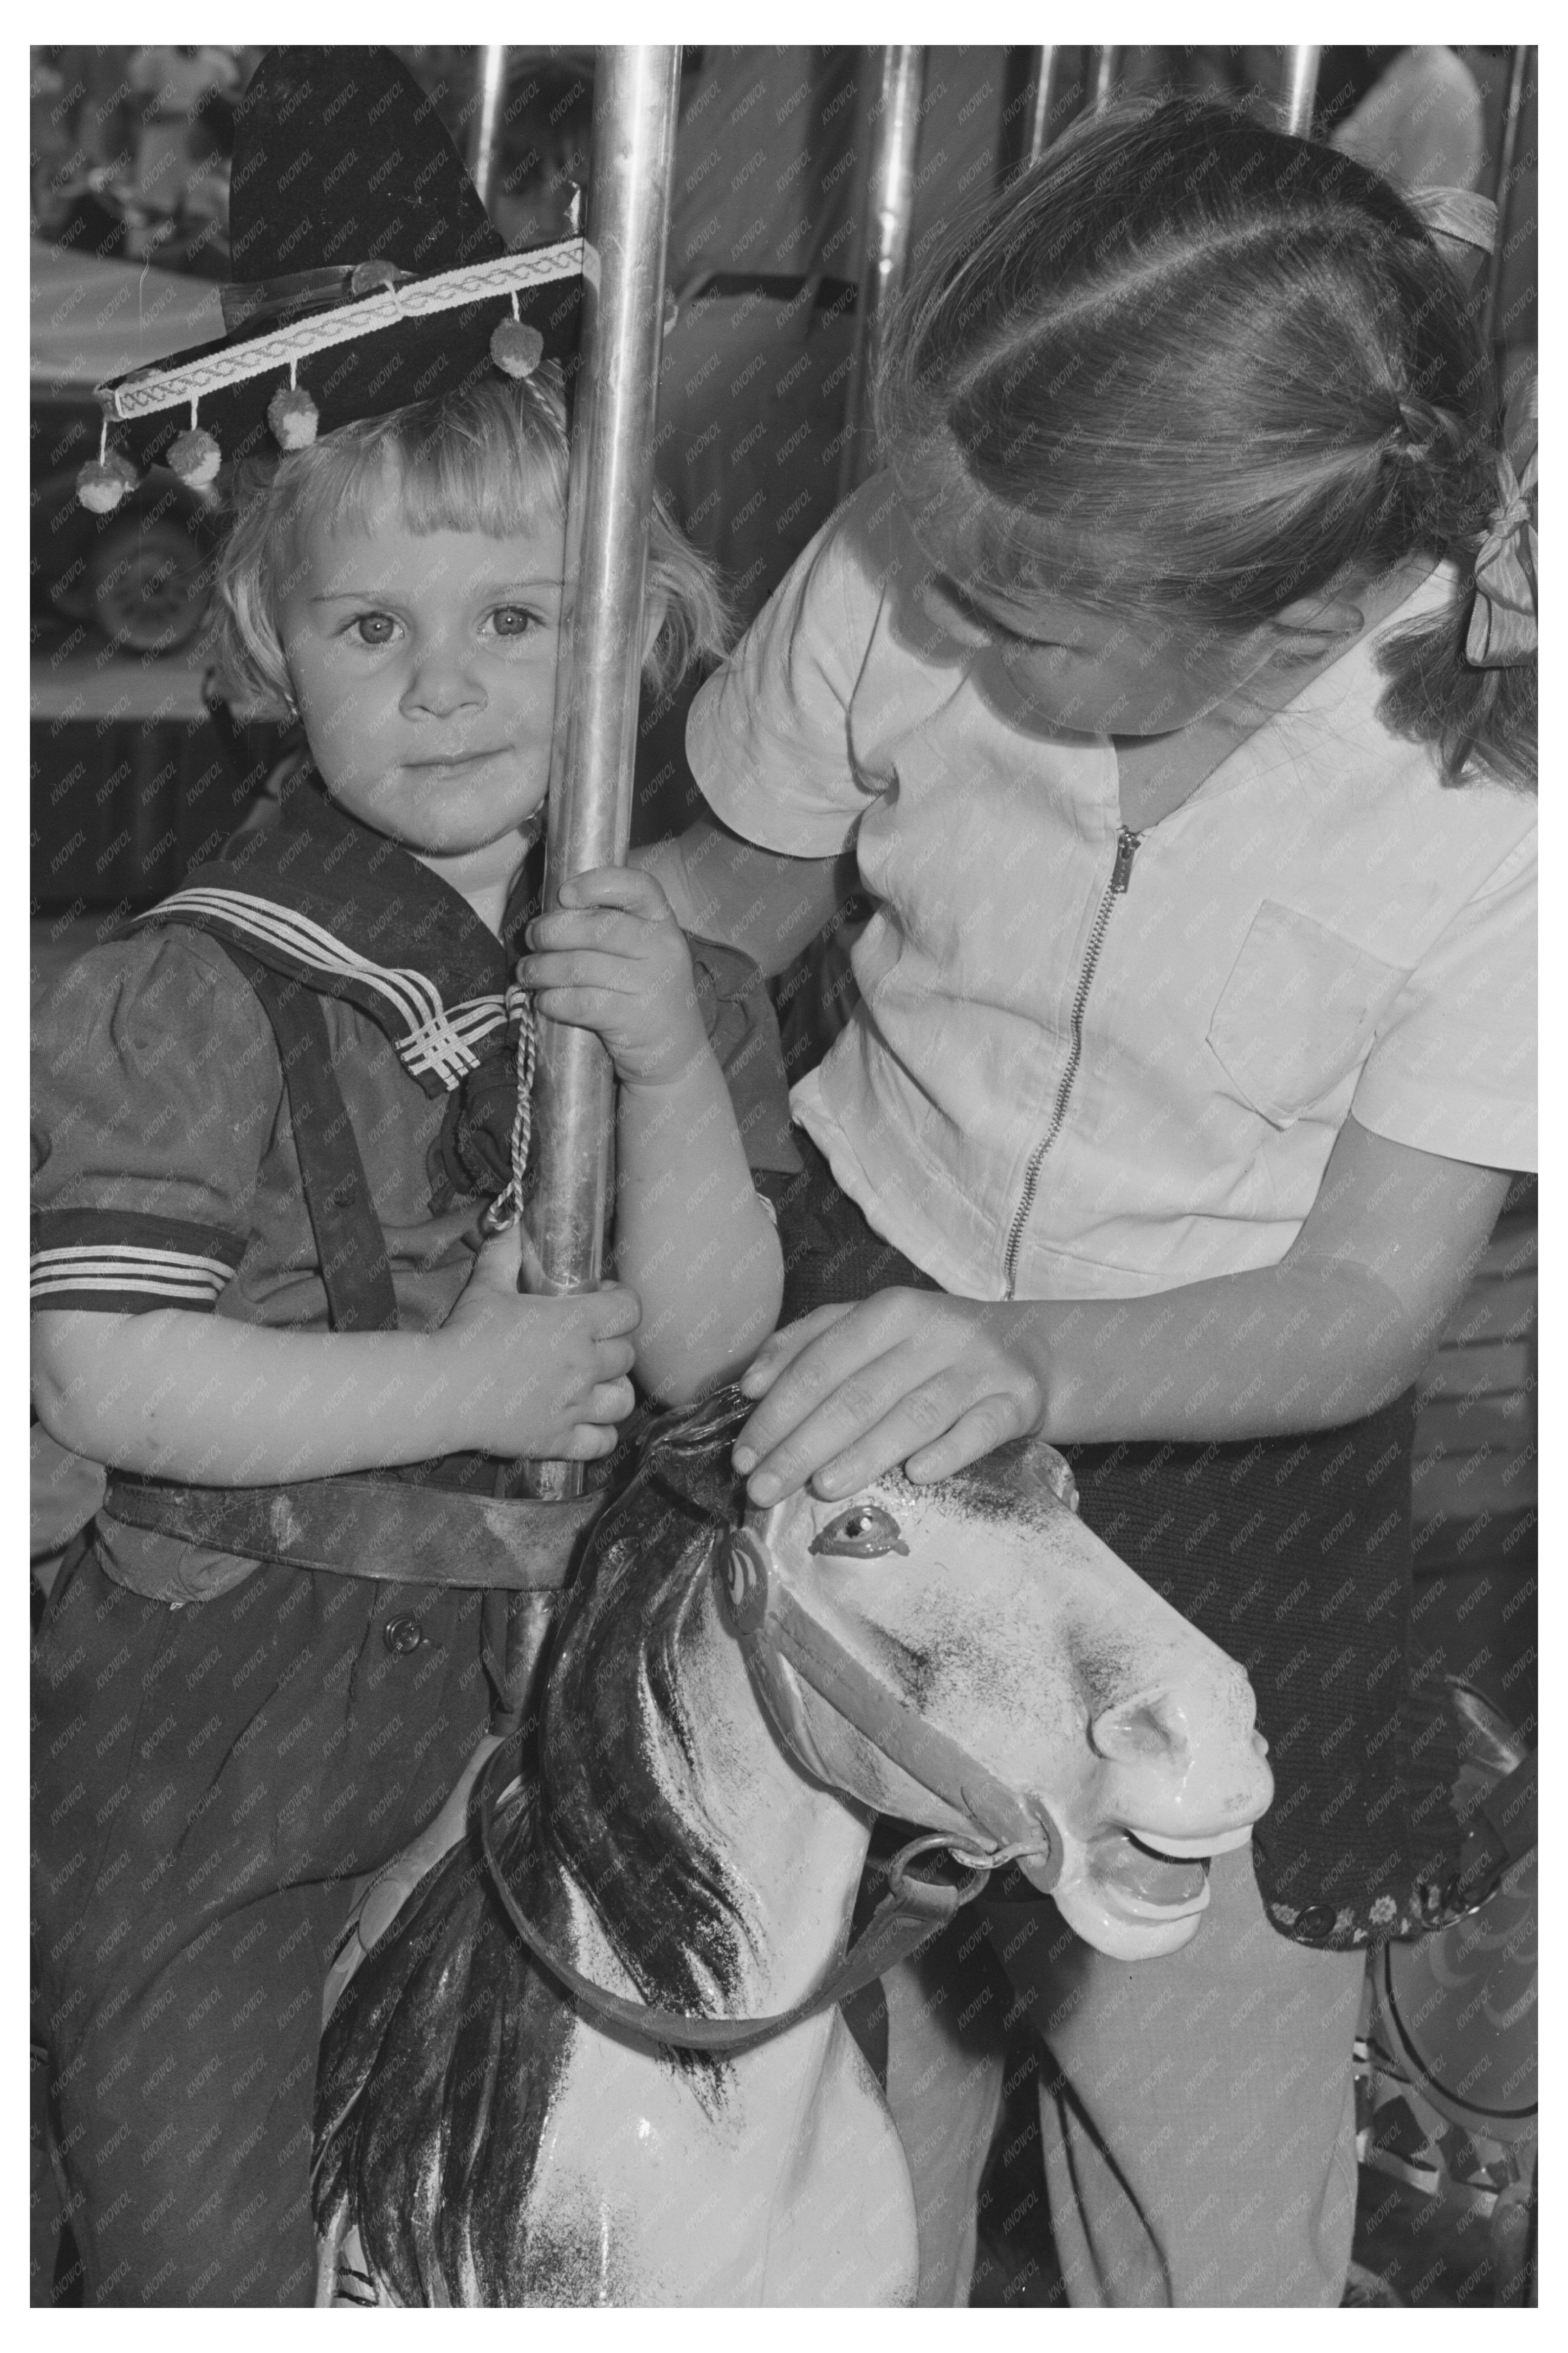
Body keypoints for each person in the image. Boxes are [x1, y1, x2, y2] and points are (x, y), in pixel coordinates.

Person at [640, 100, 1537, 2306]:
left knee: (1199, 2137)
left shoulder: (1488, 816)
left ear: (1297, 609)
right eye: (930, 532)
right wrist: (488, 979)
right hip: (848, 1327)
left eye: (1011, 605)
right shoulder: (916, 550)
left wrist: (1029, 1361)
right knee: (836, 2109)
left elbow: (1356, 1299)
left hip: (1212, 1447)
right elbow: (741, 888)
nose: (925, 605)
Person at [31, 50, 788, 2307]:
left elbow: (713, 1349)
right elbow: (117, 1388)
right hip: (235, 1716)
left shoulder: (672, 974)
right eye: (373, 629)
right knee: (204, 2227)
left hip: (575, 1710)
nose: (448, 685)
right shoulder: (192, 990)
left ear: (632, 630)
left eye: (516, 624)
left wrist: (658, 1067)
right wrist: (455, 1377)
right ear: (269, 649)